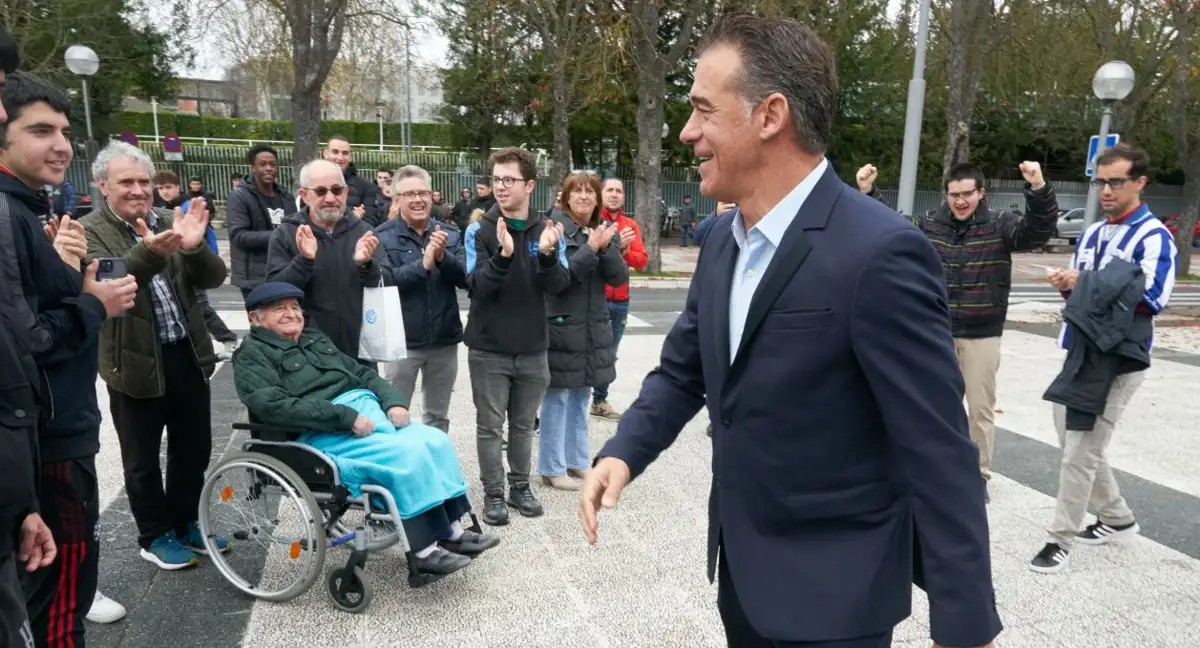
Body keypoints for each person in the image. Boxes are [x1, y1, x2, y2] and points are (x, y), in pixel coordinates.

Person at [579, 15, 999, 648]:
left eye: (702, 111)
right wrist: (624, 449)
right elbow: (684, 368)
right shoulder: (722, 239)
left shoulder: (881, 252)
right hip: (743, 577)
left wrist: (966, 623)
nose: (688, 132)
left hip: (839, 594)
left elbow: (937, 447)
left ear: (770, 115)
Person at [2, 70, 140, 644]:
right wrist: (93, 304)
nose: (60, 144)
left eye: (63, 130)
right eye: (40, 130)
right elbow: (25, 338)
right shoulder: (9, 215)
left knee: (62, 584)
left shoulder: (31, 207)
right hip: (48, 433)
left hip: (61, 423)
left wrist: (71, 280)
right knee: (60, 591)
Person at [232, 282, 500, 576]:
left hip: (367, 414)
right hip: (325, 432)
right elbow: (275, 406)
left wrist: (393, 401)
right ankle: (424, 551)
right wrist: (344, 417)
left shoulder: (313, 339)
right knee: (407, 456)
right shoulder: (251, 355)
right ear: (255, 318)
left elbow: (359, 372)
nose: (291, 313)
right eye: (279, 308)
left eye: (295, 307)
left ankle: (452, 532)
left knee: (436, 442)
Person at [856, 161, 1058, 500]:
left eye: (968, 194)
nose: (961, 201)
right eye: (954, 195)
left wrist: (1038, 188)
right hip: (935, 332)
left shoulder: (999, 225)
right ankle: (929, 470)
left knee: (980, 410)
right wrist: (868, 193)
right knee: (930, 406)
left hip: (982, 332)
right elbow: (889, 229)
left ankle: (976, 477)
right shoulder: (929, 225)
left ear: (981, 193)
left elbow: (1037, 231)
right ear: (946, 195)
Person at [81, 141, 230, 571]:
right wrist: (152, 251)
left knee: (193, 448)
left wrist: (194, 247)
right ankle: (154, 534)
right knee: (142, 458)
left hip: (184, 352)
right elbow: (113, 285)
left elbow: (213, 277)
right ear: (103, 186)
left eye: (144, 181)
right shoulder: (89, 229)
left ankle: (186, 522)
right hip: (131, 360)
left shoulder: (169, 219)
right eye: (126, 181)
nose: (138, 189)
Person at [1029, 144, 1176, 574]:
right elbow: (1081, 297)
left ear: (1140, 182)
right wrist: (1067, 285)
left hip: (1118, 358)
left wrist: (1088, 282)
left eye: (1115, 182)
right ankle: (1117, 518)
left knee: (1080, 449)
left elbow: (1153, 299)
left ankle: (1060, 539)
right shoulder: (1093, 233)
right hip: (1079, 349)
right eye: (1100, 181)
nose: (1106, 190)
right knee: (1075, 443)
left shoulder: (1154, 237)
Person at [463, 147, 570, 526]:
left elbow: (559, 285)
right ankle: (493, 493)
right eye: (496, 179)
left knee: (524, 425)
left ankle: (520, 486)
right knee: (490, 426)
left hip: (532, 347)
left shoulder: (549, 230)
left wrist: (545, 256)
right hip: (489, 347)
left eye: (509, 180)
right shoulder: (480, 229)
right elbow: (476, 286)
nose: (501, 187)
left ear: (529, 185)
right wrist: (504, 256)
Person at [540, 172, 627, 491]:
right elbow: (557, 281)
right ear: (564, 197)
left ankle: (576, 461)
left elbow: (617, 278)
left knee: (581, 396)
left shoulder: (603, 230)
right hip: (562, 327)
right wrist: (590, 248)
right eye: (576, 191)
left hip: (592, 326)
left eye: (590, 191)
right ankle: (552, 466)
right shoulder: (554, 229)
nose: (584, 196)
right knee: (557, 398)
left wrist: (605, 248)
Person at [266, 159, 390, 358]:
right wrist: (304, 261)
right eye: (321, 191)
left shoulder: (364, 232)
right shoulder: (287, 233)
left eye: (337, 190)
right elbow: (273, 294)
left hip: (359, 351)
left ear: (346, 192)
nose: (331, 198)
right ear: (305, 195)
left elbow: (387, 282)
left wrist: (366, 265)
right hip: (307, 353)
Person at [376, 165, 467, 433]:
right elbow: (385, 282)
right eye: (410, 194)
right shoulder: (382, 236)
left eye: (423, 193)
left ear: (431, 195)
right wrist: (424, 264)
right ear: (398, 199)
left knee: (437, 418)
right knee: (395, 415)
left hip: (444, 340)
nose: (418, 199)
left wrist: (442, 258)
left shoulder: (448, 234)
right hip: (401, 342)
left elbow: (465, 279)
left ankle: (434, 469)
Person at [155, 170, 238, 359]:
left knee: (200, 306)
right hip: (174, 266)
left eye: (168, 187)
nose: (165, 191)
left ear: (177, 187)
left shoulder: (187, 207)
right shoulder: (160, 208)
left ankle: (227, 339)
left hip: (193, 263)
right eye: (160, 188)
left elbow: (207, 235)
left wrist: (210, 258)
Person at [590, 178, 647, 421]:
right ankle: (579, 396)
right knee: (586, 350)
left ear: (624, 197)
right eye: (609, 190)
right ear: (600, 194)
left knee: (609, 353)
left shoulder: (629, 225)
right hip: (595, 298)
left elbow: (642, 261)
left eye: (619, 191)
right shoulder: (592, 222)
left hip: (620, 300)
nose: (614, 194)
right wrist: (614, 245)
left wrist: (624, 250)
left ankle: (600, 400)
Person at [227, 145, 294, 301]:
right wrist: (280, 236)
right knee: (261, 323)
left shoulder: (286, 196)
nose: (269, 168)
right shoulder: (239, 196)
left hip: (282, 271)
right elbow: (238, 236)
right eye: (263, 164)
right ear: (253, 168)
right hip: (253, 278)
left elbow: (293, 228)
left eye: (272, 164)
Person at [323, 135, 383, 226]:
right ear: (325, 154)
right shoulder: (311, 184)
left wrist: (355, 223)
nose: (340, 157)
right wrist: (350, 218)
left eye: (345, 153)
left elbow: (371, 223)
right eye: (335, 152)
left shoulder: (367, 187)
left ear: (350, 157)